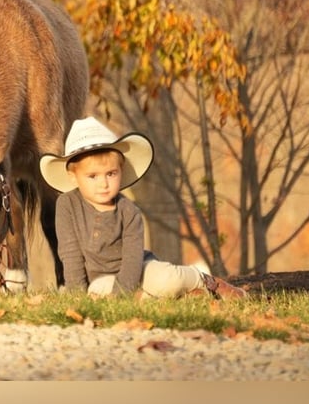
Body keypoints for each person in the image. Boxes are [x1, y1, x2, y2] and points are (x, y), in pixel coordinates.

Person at [39, 116, 247, 300]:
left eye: (111, 174)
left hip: (139, 269)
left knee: (166, 280)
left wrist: (120, 294)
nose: (103, 184)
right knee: (96, 291)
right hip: (101, 279)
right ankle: (171, 298)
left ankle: (202, 280)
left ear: (121, 172)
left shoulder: (128, 211)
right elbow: (70, 253)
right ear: (73, 177)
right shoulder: (66, 206)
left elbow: (132, 260)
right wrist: (78, 296)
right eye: (92, 176)